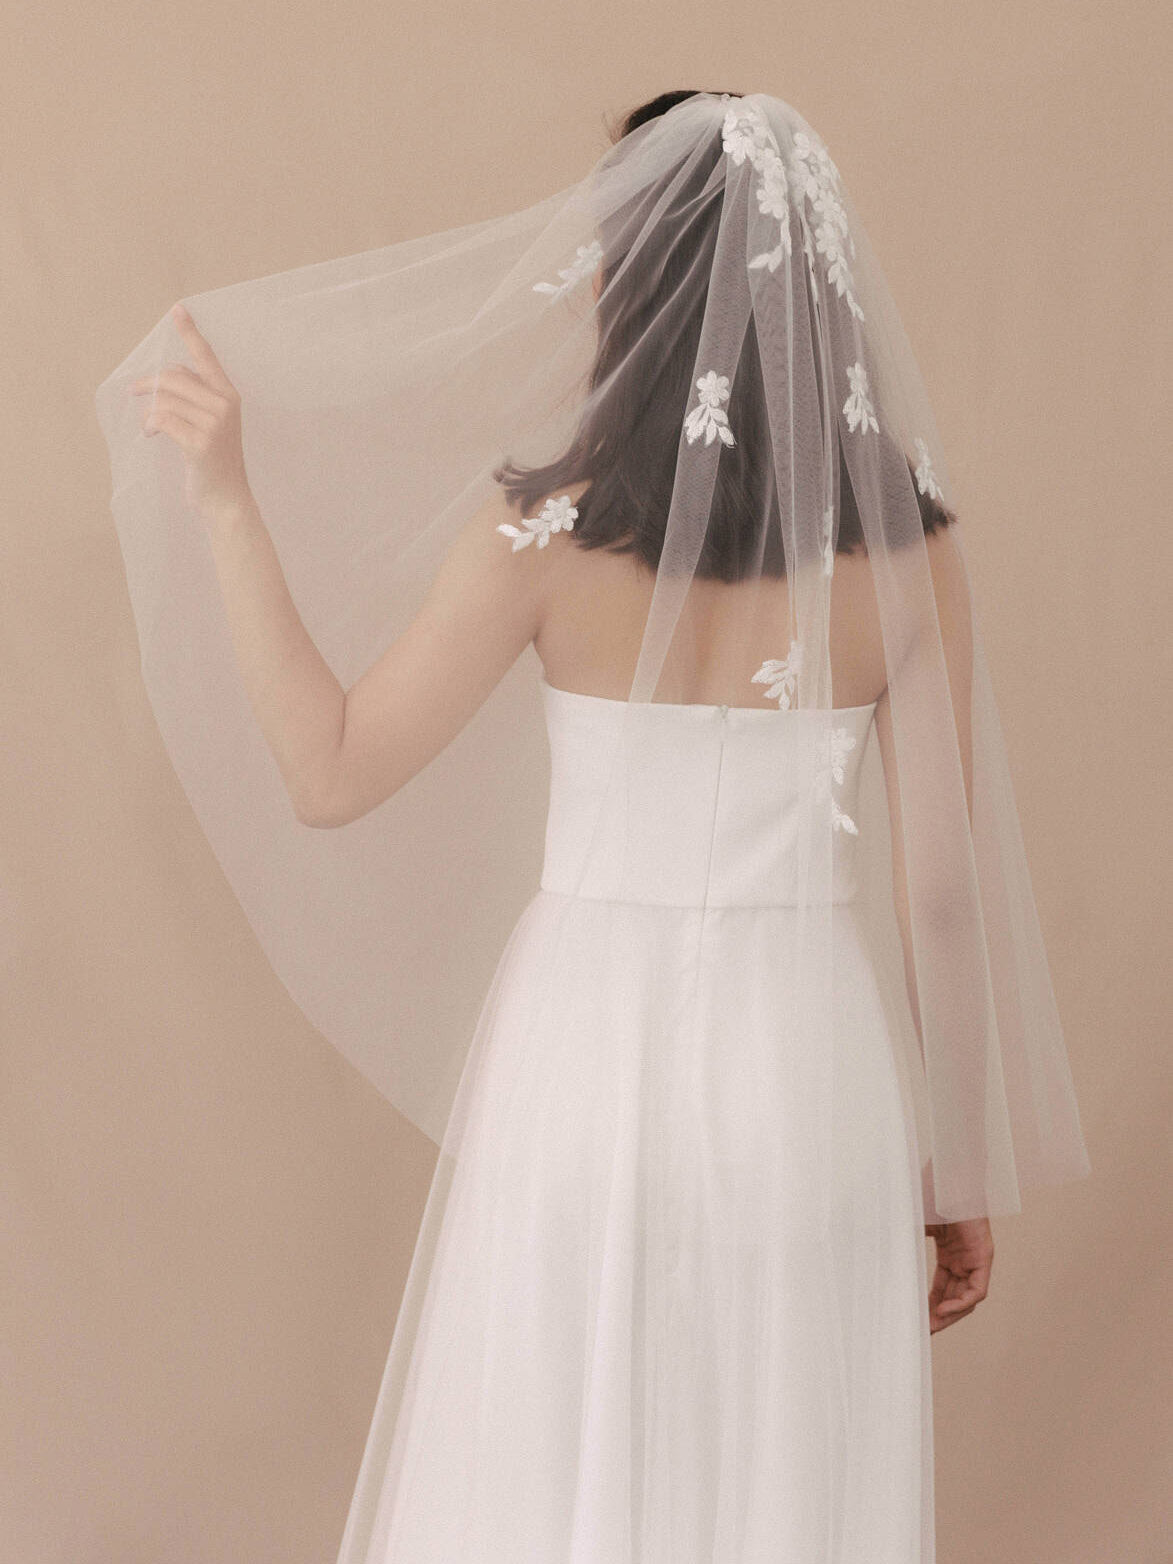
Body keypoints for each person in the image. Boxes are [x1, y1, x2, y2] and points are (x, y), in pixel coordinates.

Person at [98, 87, 1090, 1561]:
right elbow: (939, 897)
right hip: (800, 1073)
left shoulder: (544, 537)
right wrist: (957, 1170)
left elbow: (330, 771)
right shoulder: (908, 552)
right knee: (772, 1482)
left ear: (628, 283)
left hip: (580, 1067)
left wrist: (227, 504)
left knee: (551, 1474)